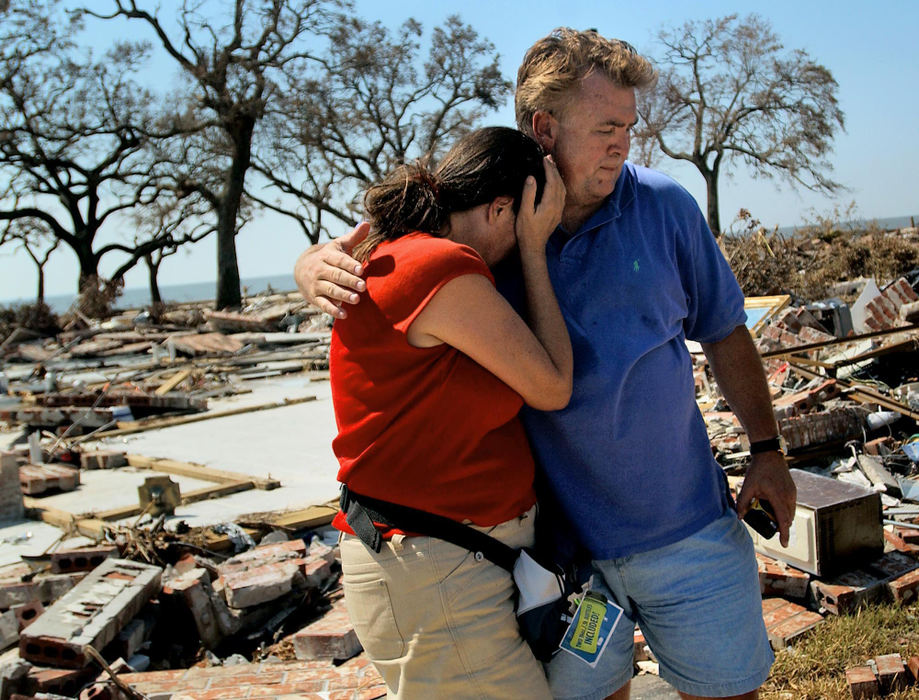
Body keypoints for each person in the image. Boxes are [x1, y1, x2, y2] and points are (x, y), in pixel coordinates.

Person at [297, 29, 796, 700]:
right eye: (604, 127)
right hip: (562, 563)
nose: (623, 143)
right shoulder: (487, 239)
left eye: (629, 125)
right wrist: (310, 264)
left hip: (687, 535)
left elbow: (725, 332)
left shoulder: (664, 207)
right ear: (543, 127)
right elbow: (389, 245)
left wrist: (766, 450)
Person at [330, 126, 569, 699]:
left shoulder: (401, 254)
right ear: (501, 208)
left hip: (444, 566)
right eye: (527, 221)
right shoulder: (437, 267)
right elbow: (554, 385)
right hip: (437, 571)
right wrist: (535, 251)